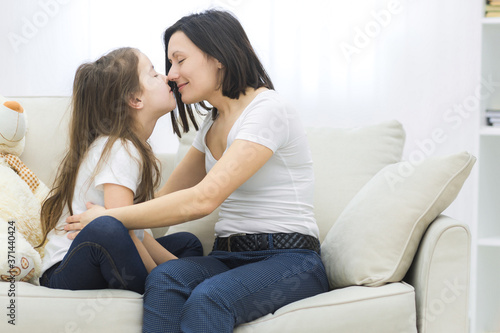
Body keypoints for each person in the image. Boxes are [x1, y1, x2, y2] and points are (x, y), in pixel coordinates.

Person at [65, 10, 329, 332]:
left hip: (290, 260)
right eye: (169, 64)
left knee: (210, 298)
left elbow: (202, 200)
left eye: (179, 60)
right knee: (164, 278)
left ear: (217, 56)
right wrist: (118, 225)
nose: (171, 74)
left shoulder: (268, 109)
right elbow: (168, 200)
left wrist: (109, 218)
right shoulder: (210, 125)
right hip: (227, 257)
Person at [38, 47, 203, 294]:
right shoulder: (119, 148)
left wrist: (178, 268)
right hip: (67, 269)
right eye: (153, 74)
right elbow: (124, 229)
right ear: (135, 100)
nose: (166, 77)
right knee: (110, 226)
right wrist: (163, 277)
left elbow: (138, 231)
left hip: (107, 249)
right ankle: (162, 287)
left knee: (188, 244)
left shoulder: (130, 146)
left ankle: (171, 280)